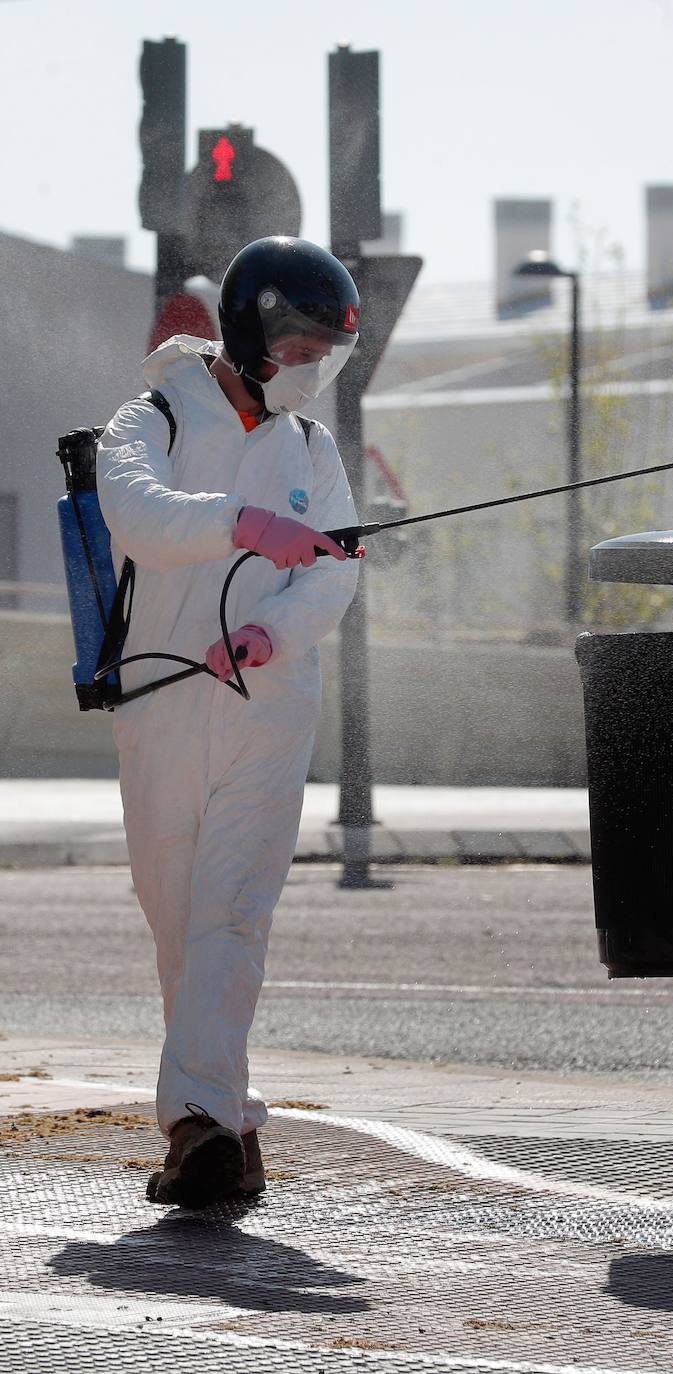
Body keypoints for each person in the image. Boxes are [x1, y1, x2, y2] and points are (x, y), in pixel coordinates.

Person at [97, 236, 361, 1208]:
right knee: (179, 922)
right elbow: (136, 514)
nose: (308, 374)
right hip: (163, 706)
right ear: (252, 335)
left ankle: (194, 1124)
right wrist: (241, 525)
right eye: (298, 350)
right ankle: (227, 1123)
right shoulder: (156, 415)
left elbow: (334, 566)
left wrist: (266, 635)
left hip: (269, 710)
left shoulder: (312, 449)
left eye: (321, 358)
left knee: (232, 914)